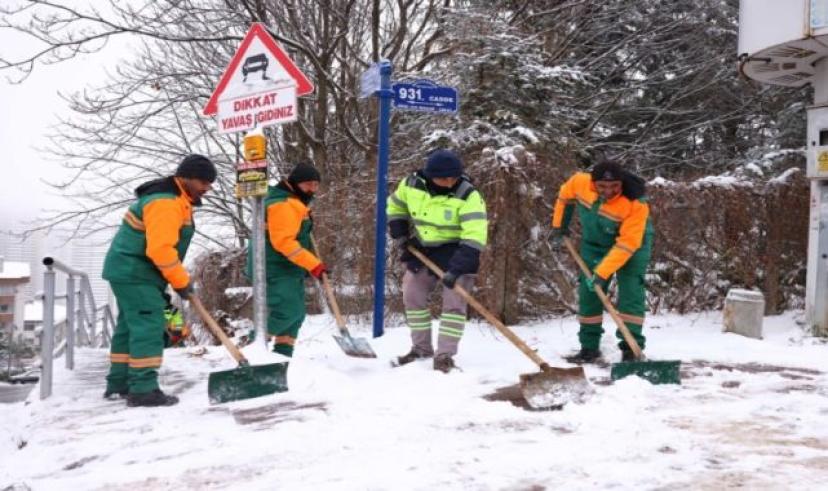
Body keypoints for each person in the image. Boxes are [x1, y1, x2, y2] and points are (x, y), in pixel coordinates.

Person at [102, 154, 216, 406]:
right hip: (136, 272)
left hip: (135, 272)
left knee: (130, 326)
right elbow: (161, 250)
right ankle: (142, 389)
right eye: (204, 182)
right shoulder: (165, 202)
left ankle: (119, 382)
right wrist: (181, 281)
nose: (207, 188)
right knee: (150, 325)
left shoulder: (176, 199)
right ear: (186, 178)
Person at [387, 149, 488, 373]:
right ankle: (421, 348)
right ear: (429, 175)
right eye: (443, 178)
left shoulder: (468, 195)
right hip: (425, 249)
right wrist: (400, 232)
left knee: (454, 303)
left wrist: (456, 270)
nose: (449, 181)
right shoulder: (411, 185)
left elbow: (475, 235)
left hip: (459, 251)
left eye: (453, 177)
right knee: (412, 294)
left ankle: (445, 356)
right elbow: (395, 206)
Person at [550, 158, 653, 363]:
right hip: (594, 244)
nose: (609, 191)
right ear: (593, 183)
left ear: (622, 183)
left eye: (615, 186)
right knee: (589, 293)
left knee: (631, 293)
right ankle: (589, 348)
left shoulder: (635, 204)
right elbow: (565, 195)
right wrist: (559, 225)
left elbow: (627, 244)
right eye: (603, 186)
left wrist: (602, 273)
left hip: (633, 246)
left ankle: (631, 350)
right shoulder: (580, 182)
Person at [248, 162, 326, 357]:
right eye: (308, 184)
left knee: (297, 315)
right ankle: (252, 345)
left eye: (316, 185)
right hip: (274, 267)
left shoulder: (294, 202)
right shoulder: (283, 204)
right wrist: (314, 264)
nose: (312, 189)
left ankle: (282, 358)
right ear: (295, 183)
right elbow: (284, 242)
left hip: (290, 267)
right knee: (288, 311)